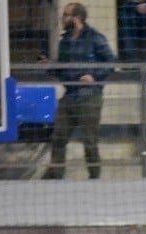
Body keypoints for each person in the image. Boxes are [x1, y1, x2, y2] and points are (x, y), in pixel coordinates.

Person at [42, 3, 115, 180]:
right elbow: (63, 69)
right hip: (70, 94)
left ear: (77, 18)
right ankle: (56, 174)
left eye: (66, 15)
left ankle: (94, 175)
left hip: (89, 95)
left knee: (90, 141)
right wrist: (50, 66)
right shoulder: (65, 41)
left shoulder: (95, 37)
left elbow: (111, 61)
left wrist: (94, 76)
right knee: (59, 136)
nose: (63, 19)